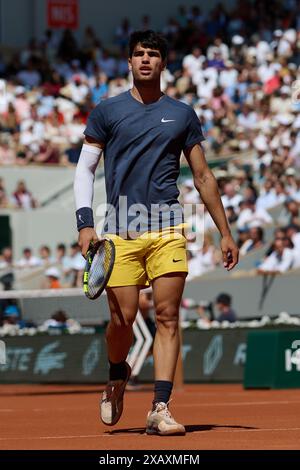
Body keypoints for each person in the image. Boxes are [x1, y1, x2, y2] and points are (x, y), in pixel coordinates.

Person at [74, 30, 239, 436]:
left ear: (163, 63)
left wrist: (225, 232)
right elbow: (85, 169)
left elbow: (202, 176)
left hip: (168, 227)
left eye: (152, 54)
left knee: (167, 317)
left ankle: (159, 407)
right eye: (138, 54)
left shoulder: (182, 114)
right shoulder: (106, 111)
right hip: (118, 233)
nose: (145, 59)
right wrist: (84, 224)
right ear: (129, 63)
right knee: (122, 321)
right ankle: (118, 372)